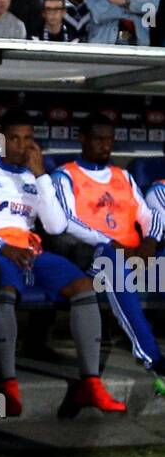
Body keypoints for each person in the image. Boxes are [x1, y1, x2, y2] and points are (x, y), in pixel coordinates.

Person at [0, 111, 125, 421]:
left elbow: (54, 227)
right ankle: (9, 386)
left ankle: (90, 384)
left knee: (84, 287)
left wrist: (41, 175)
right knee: (7, 289)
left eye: (28, 139)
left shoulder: (34, 179)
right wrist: (2, 246)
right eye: (14, 138)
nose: (21, 145)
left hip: (31, 252)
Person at [41, 114, 165, 392]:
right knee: (114, 265)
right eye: (98, 139)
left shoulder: (123, 176)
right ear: (82, 139)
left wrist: (150, 242)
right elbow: (68, 222)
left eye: (109, 139)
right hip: (92, 256)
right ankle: (152, 358)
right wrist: (115, 245)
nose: (105, 145)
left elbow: (147, 215)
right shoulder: (65, 175)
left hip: (135, 253)